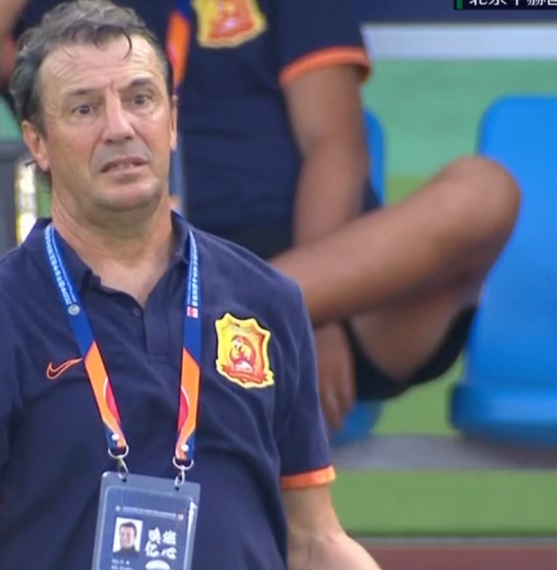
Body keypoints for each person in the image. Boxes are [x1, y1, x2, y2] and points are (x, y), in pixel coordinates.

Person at [0, 2, 380, 569]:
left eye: (140, 99)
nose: (119, 127)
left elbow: (316, 540)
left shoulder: (268, 301)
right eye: (84, 108)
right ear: (38, 142)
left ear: (171, 122)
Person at [166, 0, 521, 429]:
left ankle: (200, 323)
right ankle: (188, 324)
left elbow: (334, 142)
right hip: (168, 267)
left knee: (485, 191)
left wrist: (316, 313)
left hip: (331, 274)